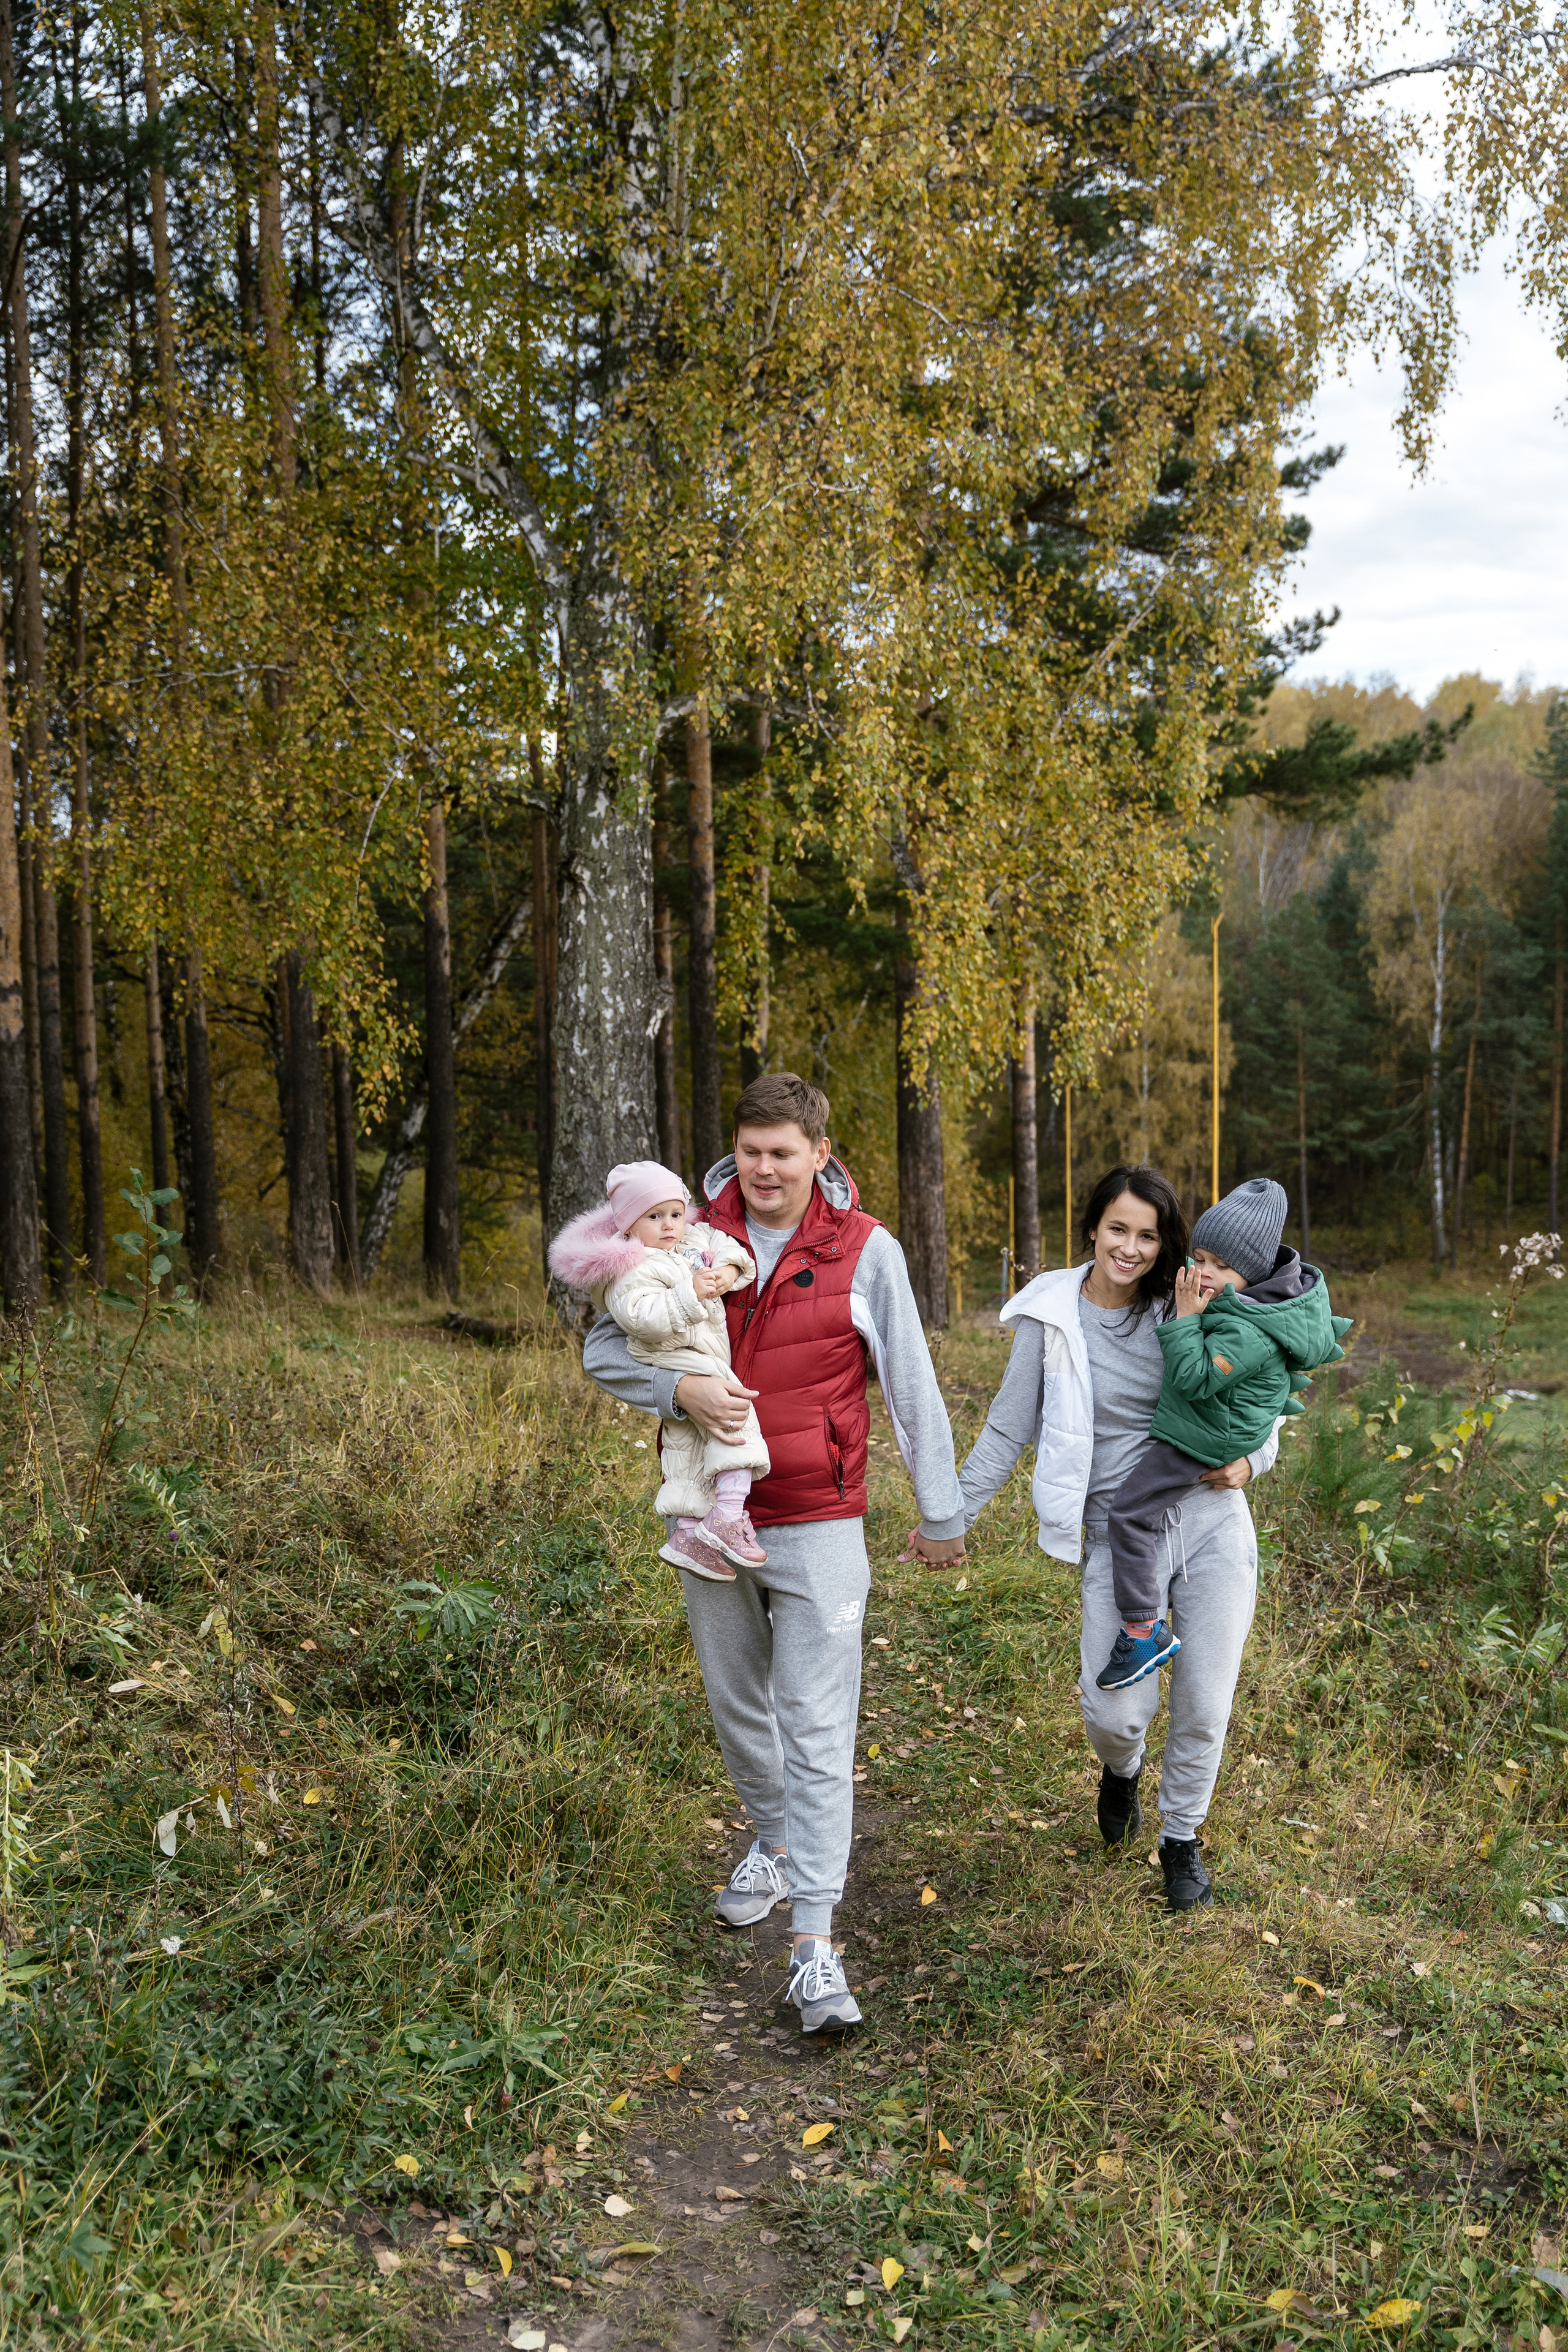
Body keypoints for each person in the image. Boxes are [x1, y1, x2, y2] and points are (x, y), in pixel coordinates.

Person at [577, 1072, 965, 2032]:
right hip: (707, 1518)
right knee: (736, 1699)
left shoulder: (866, 1250)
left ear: (819, 1156)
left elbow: (909, 1377)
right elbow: (600, 1349)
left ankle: (816, 1946)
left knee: (819, 1721)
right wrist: (681, 1397)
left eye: (783, 1153)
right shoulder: (679, 1230)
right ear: (734, 1152)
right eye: (750, 1151)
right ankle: (777, 1837)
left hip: (822, 1515)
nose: (763, 1169)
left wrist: (942, 1507)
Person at [956, 1163, 1279, 1913]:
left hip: (1209, 1523)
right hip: (1114, 1532)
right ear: (1092, 1229)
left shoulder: (1188, 1302)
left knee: (1204, 1703)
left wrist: (1252, 1460)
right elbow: (1008, 1427)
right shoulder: (1050, 1317)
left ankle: (1181, 1841)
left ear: (1164, 1243)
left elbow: (1267, 1397)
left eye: (1148, 1235)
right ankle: (1122, 1768)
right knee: (1115, 1714)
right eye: (1117, 1230)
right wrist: (951, 1518)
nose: (1130, 1248)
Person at [1095, 1177, 1351, 1692]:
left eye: (1221, 1266)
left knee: (1128, 1514)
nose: (1204, 1272)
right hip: (1210, 1429)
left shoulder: (1248, 1328)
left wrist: (1186, 1319)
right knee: (1137, 1514)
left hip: (1206, 1438)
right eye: (1201, 1257)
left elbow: (1194, 1379)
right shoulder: (1244, 1310)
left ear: (1251, 1275)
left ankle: (1144, 1630)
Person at [547, 1161, 771, 1579]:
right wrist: (690, 1295)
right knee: (734, 1412)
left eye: (675, 1213)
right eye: (655, 1217)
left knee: (686, 1437)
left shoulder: (688, 1240)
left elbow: (726, 1245)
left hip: (698, 1349)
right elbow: (641, 1318)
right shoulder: (631, 1267)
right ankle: (727, 1512)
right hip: (670, 1352)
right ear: (629, 1224)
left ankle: (686, 1534)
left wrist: (726, 1270)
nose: (670, 1225)